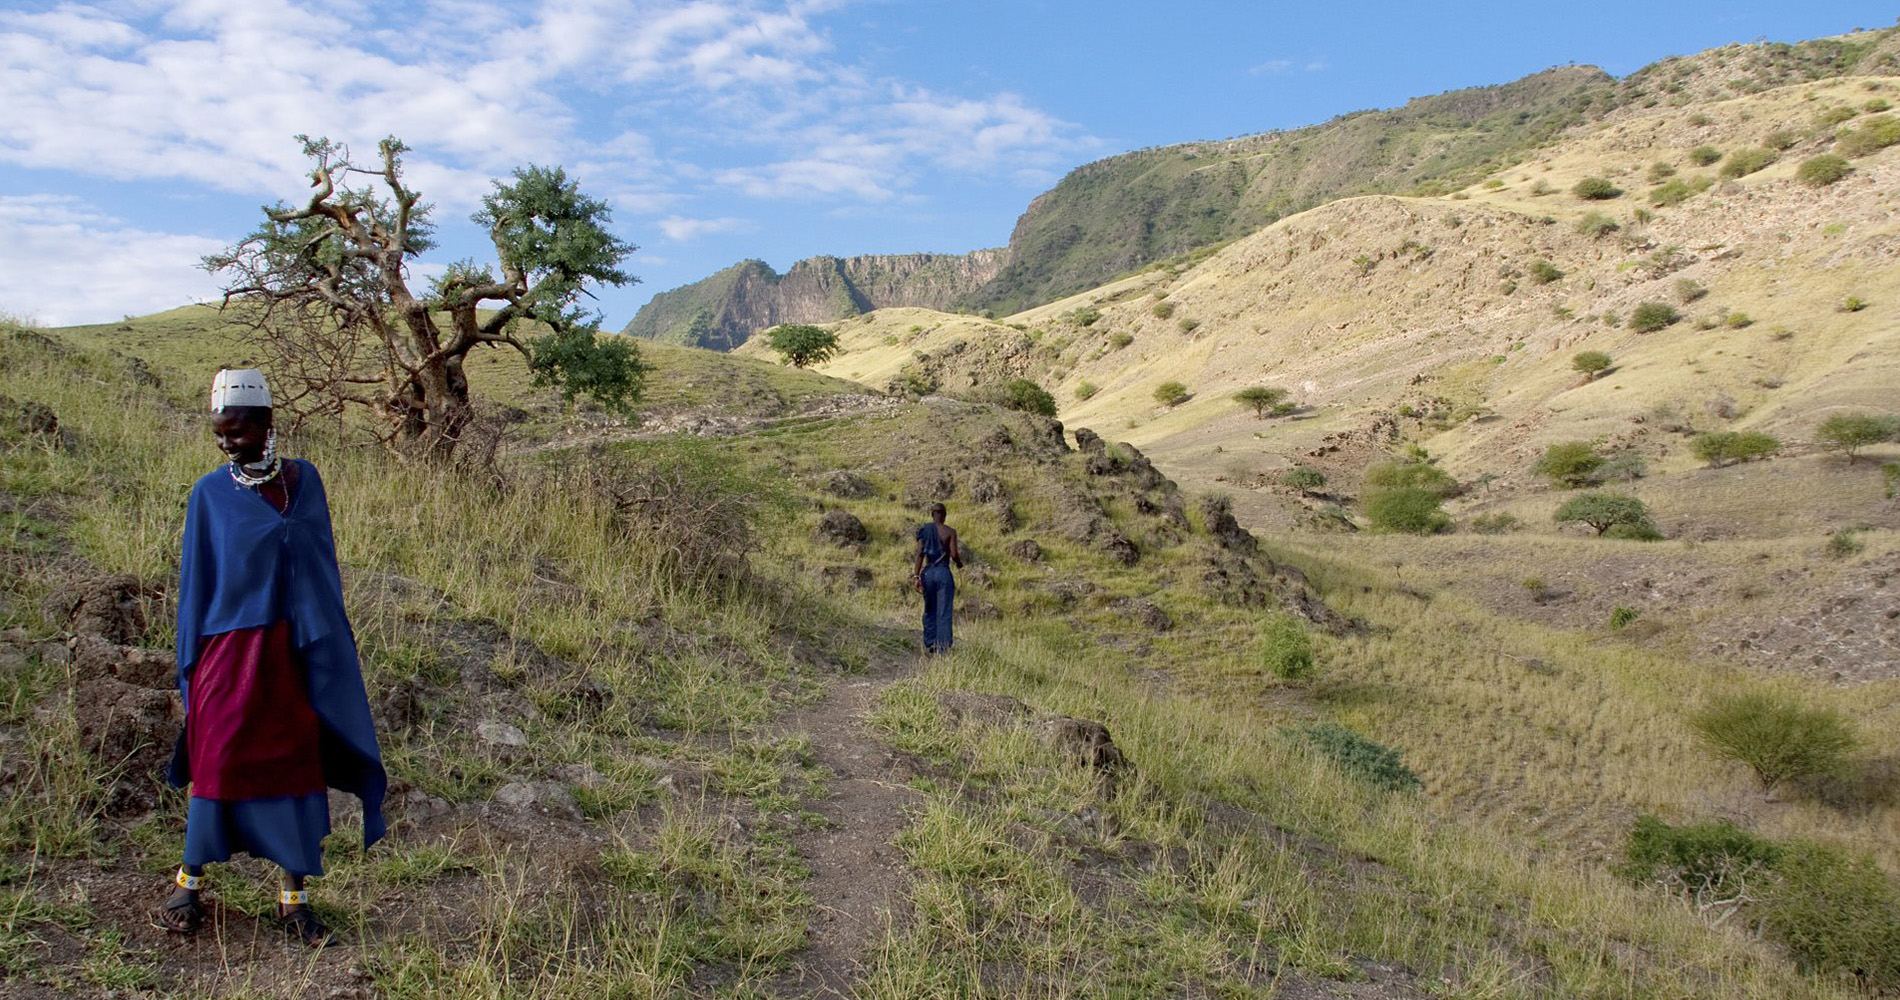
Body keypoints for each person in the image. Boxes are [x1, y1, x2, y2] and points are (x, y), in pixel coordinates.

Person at [154, 369, 386, 947]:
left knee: (293, 765)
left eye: (237, 431)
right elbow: (197, 584)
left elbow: (321, 565)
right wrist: (191, 660)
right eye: (220, 432)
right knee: (218, 759)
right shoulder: (210, 494)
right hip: (227, 655)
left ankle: (293, 898)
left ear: (266, 424)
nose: (227, 441)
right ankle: (189, 882)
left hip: (292, 652)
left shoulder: (305, 483)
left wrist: (329, 643)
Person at [910, 501, 964, 654]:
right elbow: (954, 554)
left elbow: (920, 553)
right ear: (944, 516)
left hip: (927, 573)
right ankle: (943, 646)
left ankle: (930, 643)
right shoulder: (950, 532)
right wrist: (960, 564)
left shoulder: (925, 530)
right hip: (943, 573)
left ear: (932, 514)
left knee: (930, 608)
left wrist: (916, 575)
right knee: (944, 610)